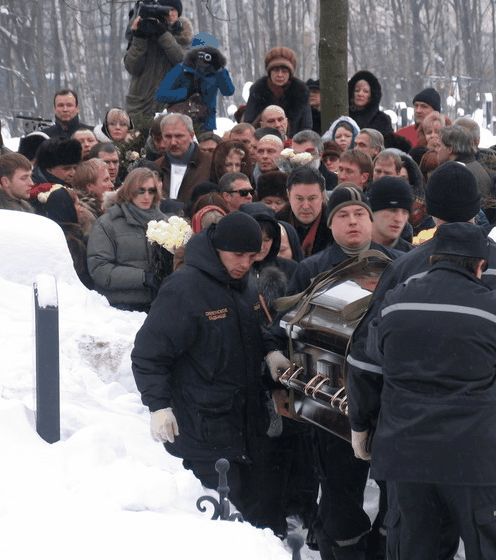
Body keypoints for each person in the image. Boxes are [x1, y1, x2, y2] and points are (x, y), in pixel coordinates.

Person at [346, 161, 496, 560]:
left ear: (430, 211)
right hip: (488, 427)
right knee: (487, 526)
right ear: (477, 208)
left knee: (417, 535)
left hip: (408, 428)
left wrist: (361, 422)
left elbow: (368, 358)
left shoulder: (405, 270)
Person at [351, 222, 496, 560]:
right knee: (487, 549)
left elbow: (370, 358)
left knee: (414, 549)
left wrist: (360, 425)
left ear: (433, 259)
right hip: (473, 459)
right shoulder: (495, 309)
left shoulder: (396, 301)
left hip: (406, 458)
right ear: (481, 265)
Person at [265, 184, 401, 560]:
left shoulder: (399, 263)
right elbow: (283, 326)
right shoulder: (312, 268)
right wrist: (276, 355)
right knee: (340, 489)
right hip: (329, 403)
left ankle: (387, 546)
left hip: (389, 401)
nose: (353, 222)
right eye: (343, 215)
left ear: (372, 221)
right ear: (331, 223)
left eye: (360, 214)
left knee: (396, 488)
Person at [131, 211, 279, 530]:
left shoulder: (246, 283)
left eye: (252, 256)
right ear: (217, 249)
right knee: (222, 520)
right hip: (203, 426)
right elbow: (148, 354)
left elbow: (255, 326)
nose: (244, 263)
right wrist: (158, 406)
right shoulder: (185, 288)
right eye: (237, 255)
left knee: (257, 516)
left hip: (248, 421)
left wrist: (270, 350)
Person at [87, 168, 167, 312]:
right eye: (140, 191)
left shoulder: (166, 222)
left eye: (151, 191)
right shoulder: (107, 223)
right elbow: (99, 269)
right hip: (119, 307)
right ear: (129, 191)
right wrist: (142, 277)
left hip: (158, 304)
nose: (146, 196)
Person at [124, 0, 193, 123]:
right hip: (139, 107)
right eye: (166, 10)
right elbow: (132, 67)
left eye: (173, 10)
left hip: (171, 107)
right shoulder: (145, 33)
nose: (169, 14)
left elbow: (181, 60)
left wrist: (163, 34)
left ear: (179, 14)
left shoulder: (184, 36)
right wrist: (139, 37)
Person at [156, 32, 234, 132]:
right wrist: (184, 92)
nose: (203, 58)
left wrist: (220, 68)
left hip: (206, 125)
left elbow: (228, 91)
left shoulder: (217, 72)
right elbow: (160, 95)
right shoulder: (181, 69)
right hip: (181, 125)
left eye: (208, 55)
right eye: (200, 54)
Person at [243, 46, 312, 136]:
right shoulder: (258, 91)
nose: (280, 75)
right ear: (269, 72)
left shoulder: (301, 93)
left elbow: (306, 127)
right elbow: (248, 123)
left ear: (290, 74)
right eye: (276, 70)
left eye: (284, 71)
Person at [275, 166, 332, 257]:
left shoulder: (335, 226)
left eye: (312, 198)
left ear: (322, 196)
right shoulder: (275, 226)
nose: (305, 206)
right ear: (289, 195)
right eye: (299, 199)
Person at [155, 113, 212, 203]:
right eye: (168, 136)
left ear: (191, 136)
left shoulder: (210, 163)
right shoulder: (156, 167)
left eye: (179, 136)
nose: (173, 142)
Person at [368, 176, 413, 252]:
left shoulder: (415, 258)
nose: (399, 219)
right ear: (372, 212)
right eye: (392, 210)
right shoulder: (350, 252)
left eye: (405, 212)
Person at [348, 70, 393, 136]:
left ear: (372, 95)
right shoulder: (344, 116)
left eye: (365, 91)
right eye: (357, 90)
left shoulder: (382, 121)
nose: (360, 94)